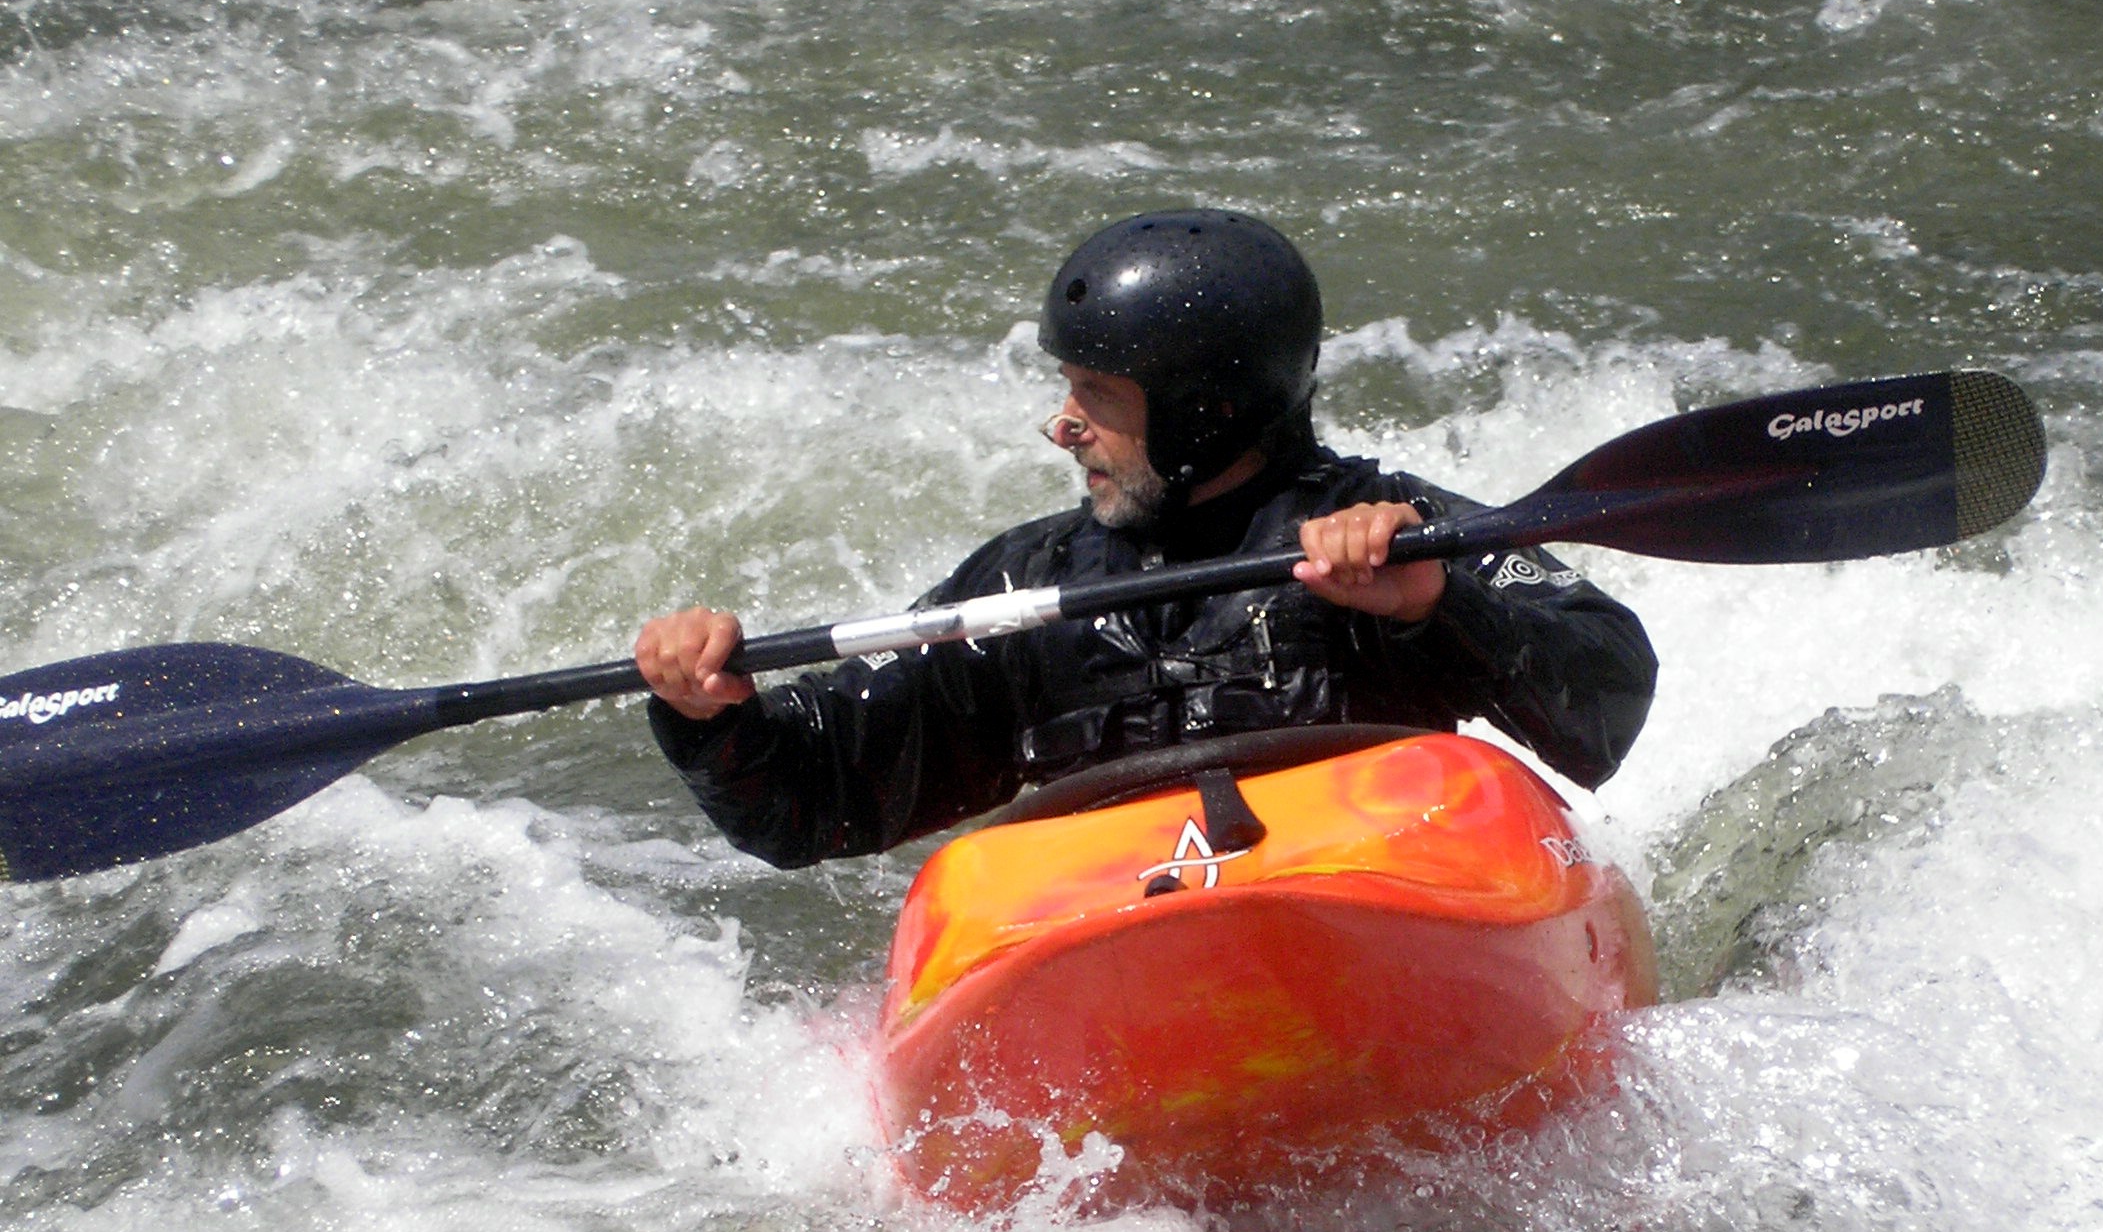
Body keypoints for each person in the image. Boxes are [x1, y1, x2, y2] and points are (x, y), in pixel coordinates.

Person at [635, 209, 1655, 865]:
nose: (1062, 426)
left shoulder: (1401, 537)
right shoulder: (1027, 585)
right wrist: (713, 714)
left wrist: (1439, 604)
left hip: (1368, 890)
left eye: (1099, 395)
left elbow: (1605, 705)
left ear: (1207, 409)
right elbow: (814, 801)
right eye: (1068, 389)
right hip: (1125, 937)